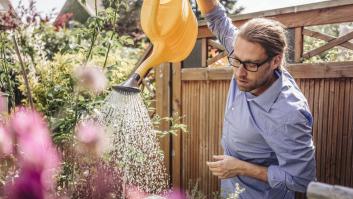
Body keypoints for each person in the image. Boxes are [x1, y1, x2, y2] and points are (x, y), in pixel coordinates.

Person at [195, 0, 317, 198]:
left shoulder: (289, 114)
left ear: (275, 60)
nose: (239, 73)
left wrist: (242, 168)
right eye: (235, 61)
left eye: (251, 65)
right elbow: (217, 18)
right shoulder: (245, 52)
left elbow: (303, 180)